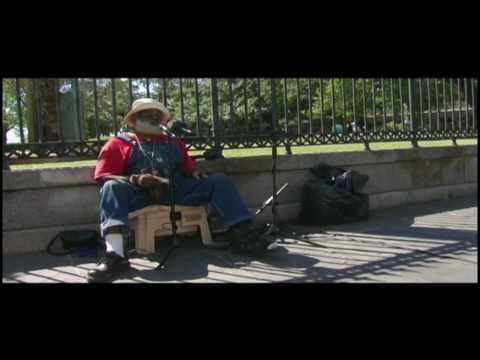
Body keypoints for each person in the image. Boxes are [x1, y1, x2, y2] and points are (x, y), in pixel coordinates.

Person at [87, 98, 255, 282]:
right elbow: (103, 175)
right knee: (111, 187)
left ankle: (243, 235)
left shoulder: (174, 142)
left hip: (175, 190)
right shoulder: (118, 143)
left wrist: (195, 172)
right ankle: (115, 255)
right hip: (139, 194)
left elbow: (188, 166)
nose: (154, 118)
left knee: (218, 180)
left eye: (157, 115)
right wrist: (135, 179)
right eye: (147, 115)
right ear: (134, 119)